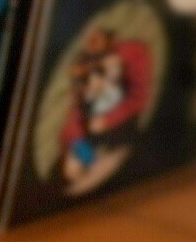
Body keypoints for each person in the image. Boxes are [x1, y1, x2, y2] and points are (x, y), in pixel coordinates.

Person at [59, 28, 151, 188]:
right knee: (72, 165)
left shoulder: (131, 55)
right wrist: (83, 152)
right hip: (95, 138)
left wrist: (108, 120)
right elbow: (74, 117)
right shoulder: (85, 74)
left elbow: (138, 99)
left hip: (123, 129)